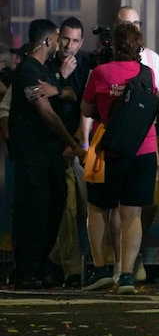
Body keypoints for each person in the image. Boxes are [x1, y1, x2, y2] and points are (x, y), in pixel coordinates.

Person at [80, 23, 159, 294]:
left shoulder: (100, 73)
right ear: (139, 45)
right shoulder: (147, 74)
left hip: (109, 151)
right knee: (132, 214)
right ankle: (126, 275)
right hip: (144, 150)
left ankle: (101, 268)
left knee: (98, 208)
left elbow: (87, 109)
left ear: (113, 45)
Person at [8, 21, 86, 289]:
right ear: (47, 42)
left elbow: (68, 94)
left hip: (49, 157)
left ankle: (40, 263)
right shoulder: (29, 71)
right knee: (34, 211)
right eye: (57, 39)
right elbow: (46, 113)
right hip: (33, 156)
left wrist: (60, 88)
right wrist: (72, 143)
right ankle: (26, 269)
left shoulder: (46, 71)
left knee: (55, 203)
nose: (61, 45)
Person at [110, 7, 159, 284]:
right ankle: (118, 264)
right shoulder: (106, 62)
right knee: (114, 208)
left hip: (145, 143)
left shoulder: (151, 59)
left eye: (137, 22)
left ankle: (131, 259)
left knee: (142, 206)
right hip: (113, 144)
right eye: (128, 24)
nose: (134, 29)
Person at [45, 17, 92, 288]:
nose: (69, 46)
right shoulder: (49, 64)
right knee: (68, 209)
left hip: (79, 147)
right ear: (58, 36)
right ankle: (73, 270)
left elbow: (82, 98)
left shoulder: (85, 65)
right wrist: (60, 79)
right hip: (56, 151)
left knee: (83, 211)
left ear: (81, 42)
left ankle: (55, 257)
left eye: (75, 41)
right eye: (66, 39)